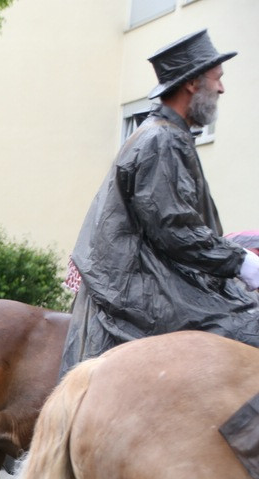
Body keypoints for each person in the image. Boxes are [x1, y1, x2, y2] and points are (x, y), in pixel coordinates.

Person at [61, 29, 259, 374]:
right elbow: (176, 229)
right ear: (193, 84)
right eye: (218, 79)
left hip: (147, 279)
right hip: (144, 288)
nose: (222, 89)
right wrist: (243, 262)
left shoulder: (166, 136)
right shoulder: (161, 140)